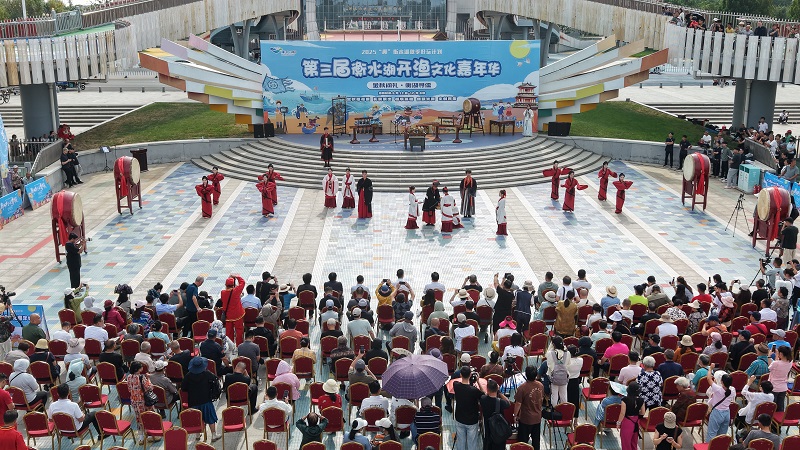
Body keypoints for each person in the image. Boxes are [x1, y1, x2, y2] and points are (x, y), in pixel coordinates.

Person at [182, 357, 221, 441]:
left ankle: (197, 435)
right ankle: (213, 435)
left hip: (193, 401)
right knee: (210, 417)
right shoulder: (208, 374)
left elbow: (183, 388)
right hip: (206, 400)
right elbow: (215, 383)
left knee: (196, 418)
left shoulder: (188, 376)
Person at [453, 366, 484, 450]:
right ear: (470, 375)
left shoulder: (456, 385)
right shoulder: (474, 390)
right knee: (472, 443)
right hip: (472, 421)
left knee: (461, 442)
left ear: (460, 375)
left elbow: (460, 383)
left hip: (459, 418)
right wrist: (478, 381)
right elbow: (483, 395)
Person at [706, 366, 735, 441]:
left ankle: (709, 446)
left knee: (711, 433)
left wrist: (710, 369)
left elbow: (708, 379)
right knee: (722, 435)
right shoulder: (732, 390)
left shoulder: (718, 389)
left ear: (721, 381)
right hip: (727, 413)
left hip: (717, 413)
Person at [480, 379, 510, 450]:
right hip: (499, 432)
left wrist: (478, 381)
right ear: (497, 388)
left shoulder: (483, 399)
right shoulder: (501, 402)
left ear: (487, 389)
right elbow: (508, 403)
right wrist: (499, 392)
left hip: (488, 432)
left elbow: (483, 393)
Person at [220, 274, 245, 345]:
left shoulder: (223, 293)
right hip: (238, 314)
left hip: (228, 315)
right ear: (233, 285)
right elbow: (242, 282)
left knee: (229, 332)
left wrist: (230, 278)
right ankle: (239, 345)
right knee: (239, 331)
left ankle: (230, 346)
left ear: (226, 285)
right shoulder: (236, 291)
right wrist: (236, 276)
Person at [620, 381, 646, 450]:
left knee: (626, 443)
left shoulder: (624, 400)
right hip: (636, 422)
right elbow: (643, 413)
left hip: (627, 422)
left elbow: (622, 413)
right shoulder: (641, 400)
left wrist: (618, 422)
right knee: (634, 442)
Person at [546, 336, 570, 406]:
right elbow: (569, 364)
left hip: (554, 377)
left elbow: (548, 364)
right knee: (564, 395)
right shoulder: (568, 353)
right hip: (564, 377)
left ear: (553, 344)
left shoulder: (550, 353)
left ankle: (554, 410)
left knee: (554, 396)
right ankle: (564, 410)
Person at [769, 345, 792, 412]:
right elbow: (777, 363)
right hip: (783, 387)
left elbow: (770, 367)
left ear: (781, 354)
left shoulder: (776, 363)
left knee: (772, 407)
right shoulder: (790, 362)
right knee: (780, 406)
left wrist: (769, 356)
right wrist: (777, 355)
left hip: (774, 386)